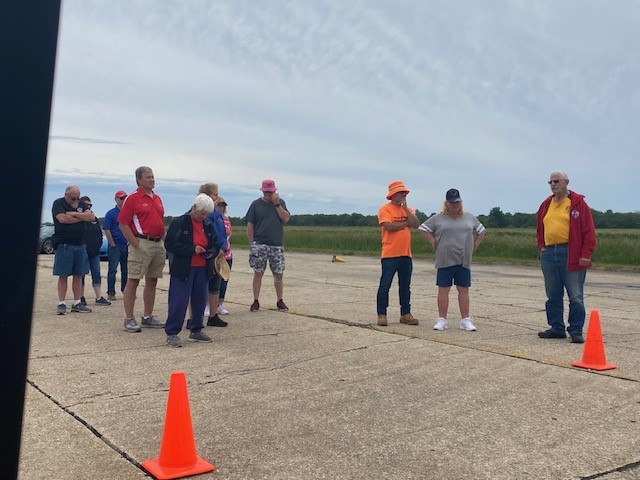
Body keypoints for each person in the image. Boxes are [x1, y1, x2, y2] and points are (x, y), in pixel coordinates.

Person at [536, 171, 596, 344]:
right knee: (553, 294)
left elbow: (589, 231)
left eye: (556, 181)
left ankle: (575, 330)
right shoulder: (546, 204)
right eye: (550, 182)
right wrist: (542, 247)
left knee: (575, 295)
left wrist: (586, 254)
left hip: (570, 252)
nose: (553, 185)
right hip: (549, 252)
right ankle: (557, 328)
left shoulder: (577, 203)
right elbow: (540, 228)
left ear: (566, 182)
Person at [418, 188, 486, 331]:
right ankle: (442, 319)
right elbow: (422, 229)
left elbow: (481, 231)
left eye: (457, 202)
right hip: (444, 259)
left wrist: (475, 245)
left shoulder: (469, 217)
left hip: (463, 260)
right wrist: (432, 240)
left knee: (463, 289)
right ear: (446, 203)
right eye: (452, 203)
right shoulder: (438, 218)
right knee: (443, 289)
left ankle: (465, 319)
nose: (455, 205)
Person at [164, 194, 219, 347]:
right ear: (194, 207)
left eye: (206, 215)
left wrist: (211, 251)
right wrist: (192, 249)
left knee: (200, 300)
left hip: (202, 268)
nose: (203, 217)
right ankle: (172, 332)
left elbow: (214, 243)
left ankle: (196, 329)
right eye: (201, 213)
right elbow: (170, 244)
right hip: (183, 268)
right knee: (179, 301)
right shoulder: (179, 223)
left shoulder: (208, 225)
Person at [117, 166, 166, 333]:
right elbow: (123, 223)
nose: (152, 179)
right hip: (141, 242)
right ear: (139, 180)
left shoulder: (157, 198)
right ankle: (129, 318)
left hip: (158, 243)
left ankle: (148, 316)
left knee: (152, 280)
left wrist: (165, 241)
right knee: (133, 280)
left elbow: (160, 221)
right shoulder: (132, 198)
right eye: (148, 177)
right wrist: (135, 243)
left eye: (153, 176)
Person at [376, 180, 420, 326]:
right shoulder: (385, 209)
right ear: (393, 194)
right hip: (390, 255)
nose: (404, 195)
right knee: (385, 285)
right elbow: (388, 227)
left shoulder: (409, 210)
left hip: (406, 255)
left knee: (405, 286)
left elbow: (416, 224)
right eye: (401, 193)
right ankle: (382, 314)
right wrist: (405, 223)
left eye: (405, 193)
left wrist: (406, 210)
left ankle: (405, 314)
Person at [245, 179, 291, 312]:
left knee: (278, 273)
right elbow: (250, 224)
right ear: (262, 191)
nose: (268, 194)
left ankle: (280, 300)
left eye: (270, 192)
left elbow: (286, 218)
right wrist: (252, 243)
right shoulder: (255, 204)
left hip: (276, 244)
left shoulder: (280, 203)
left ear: (274, 191)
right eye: (266, 192)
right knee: (258, 272)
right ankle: (255, 300)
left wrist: (277, 205)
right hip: (259, 243)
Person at [51, 186, 95, 314]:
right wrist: (82, 217)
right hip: (64, 244)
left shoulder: (81, 204)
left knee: (78, 274)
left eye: (77, 198)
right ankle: (61, 303)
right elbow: (63, 219)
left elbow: (91, 217)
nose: (75, 200)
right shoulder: (58, 203)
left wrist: (74, 214)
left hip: (80, 244)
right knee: (63, 275)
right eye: (73, 198)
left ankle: (77, 302)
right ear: (66, 195)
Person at [197, 183, 229, 327]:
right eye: (215, 194)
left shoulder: (218, 214)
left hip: (218, 253)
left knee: (215, 285)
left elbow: (222, 233)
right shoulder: (202, 212)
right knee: (201, 285)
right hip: (206, 253)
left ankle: (213, 315)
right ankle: (195, 317)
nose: (217, 197)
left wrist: (223, 248)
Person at [79, 196, 111, 306]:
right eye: (86, 205)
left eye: (90, 205)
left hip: (94, 252)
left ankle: (98, 297)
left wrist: (98, 244)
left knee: (96, 273)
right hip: (83, 250)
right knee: (81, 274)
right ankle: (80, 297)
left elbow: (99, 233)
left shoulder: (94, 219)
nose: (88, 207)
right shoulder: (79, 218)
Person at [103, 190, 129, 301]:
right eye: (121, 198)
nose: (123, 200)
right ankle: (111, 292)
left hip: (126, 244)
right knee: (113, 270)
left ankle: (126, 291)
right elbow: (107, 229)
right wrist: (112, 243)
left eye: (125, 198)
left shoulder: (128, 212)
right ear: (116, 199)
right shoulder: (111, 213)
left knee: (126, 270)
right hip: (115, 245)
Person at [216, 197, 233, 315]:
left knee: (224, 281)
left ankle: (220, 305)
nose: (221, 208)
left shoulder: (226, 220)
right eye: (219, 206)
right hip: (217, 255)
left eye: (223, 206)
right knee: (214, 282)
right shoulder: (211, 219)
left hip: (227, 255)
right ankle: (208, 304)